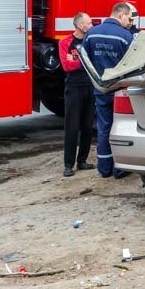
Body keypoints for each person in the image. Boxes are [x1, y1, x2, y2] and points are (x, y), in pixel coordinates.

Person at [83, 2, 136, 178]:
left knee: (104, 127)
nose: (130, 22)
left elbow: (86, 59)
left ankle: (104, 168)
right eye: (128, 18)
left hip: (101, 88)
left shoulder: (91, 33)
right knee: (121, 127)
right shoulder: (125, 36)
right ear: (120, 15)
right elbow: (133, 63)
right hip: (120, 90)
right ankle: (119, 169)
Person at [59, 12, 96, 177]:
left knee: (88, 126)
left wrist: (77, 61)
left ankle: (82, 161)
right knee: (72, 127)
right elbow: (66, 65)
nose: (92, 25)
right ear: (81, 26)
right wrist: (83, 61)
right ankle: (68, 164)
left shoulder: (91, 41)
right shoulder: (65, 42)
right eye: (89, 23)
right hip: (74, 89)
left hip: (90, 87)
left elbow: (94, 62)